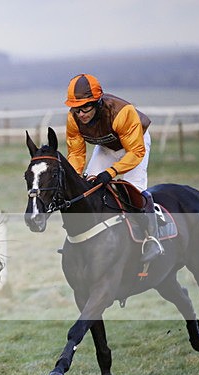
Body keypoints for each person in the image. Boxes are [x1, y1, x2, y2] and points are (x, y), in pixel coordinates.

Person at [64, 74, 163, 263]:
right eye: (76, 108)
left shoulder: (122, 112)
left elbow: (135, 152)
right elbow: (76, 154)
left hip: (135, 146)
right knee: (89, 186)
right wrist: (76, 178)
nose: (81, 113)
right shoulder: (73, 119)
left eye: (85, 107)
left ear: (97, 102)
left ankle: (152, 239)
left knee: (133, 189)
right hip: (107, 147)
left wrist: (111, 172)